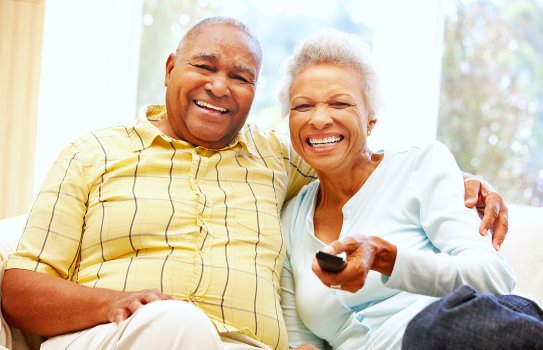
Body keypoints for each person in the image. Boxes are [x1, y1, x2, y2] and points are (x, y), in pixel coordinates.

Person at [1, 17, 508, 350]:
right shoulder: (93, 153)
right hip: (123, 334)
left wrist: (455, 178)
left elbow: (349, 157)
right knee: (176, 323)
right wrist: (109, 302)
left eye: (241, 77)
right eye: (204, 66)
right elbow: (18, 287)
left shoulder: (273, 160)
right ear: (170, 68)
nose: (220, 86)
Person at [278, 29, 543, 349]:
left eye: (340, 103)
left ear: (371, 119)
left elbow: (494, 276)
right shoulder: (291, 217)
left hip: (457, 331)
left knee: (435, 329)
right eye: (303, 106)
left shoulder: (420, 166)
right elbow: (301, 338)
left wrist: (388, 260)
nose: (319, 119)